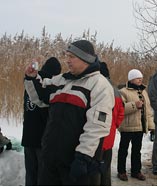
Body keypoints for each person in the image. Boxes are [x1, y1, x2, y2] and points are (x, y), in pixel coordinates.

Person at [24, 40, 115, 185]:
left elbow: (97, 127)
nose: (67, 60)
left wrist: (83, 157)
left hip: (75, 162)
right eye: (67, 56)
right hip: (50, 160)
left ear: (85, 58)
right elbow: (40, 96)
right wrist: (32, 77)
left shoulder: (99, 85)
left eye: (72, 56)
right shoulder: (62, 81)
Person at [22, 57, 61, 185]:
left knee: (31, 173)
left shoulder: (31, 82)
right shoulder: (49, 87)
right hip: (42, 139)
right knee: (43, 176)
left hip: (27, 136)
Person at [117, 69, 155, 181]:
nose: (140, 80)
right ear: (131, 79)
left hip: (139, 127)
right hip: (127, 127)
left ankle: (136, 171)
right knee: (123, 150)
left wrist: (151, 126)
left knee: (137, 151)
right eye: (138, 78)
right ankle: (121, 171)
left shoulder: (144, 92)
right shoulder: (123, 91)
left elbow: (148, 110)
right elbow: (120, 109)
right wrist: (134, 105)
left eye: (141, 78)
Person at [99, 61, 125, 186]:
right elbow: (121, 112)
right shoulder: (115, 90)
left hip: (96, 137)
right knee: (106, 166)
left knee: (94, 169)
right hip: (110, 135)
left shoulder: (97, 87)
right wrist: (115, 125)